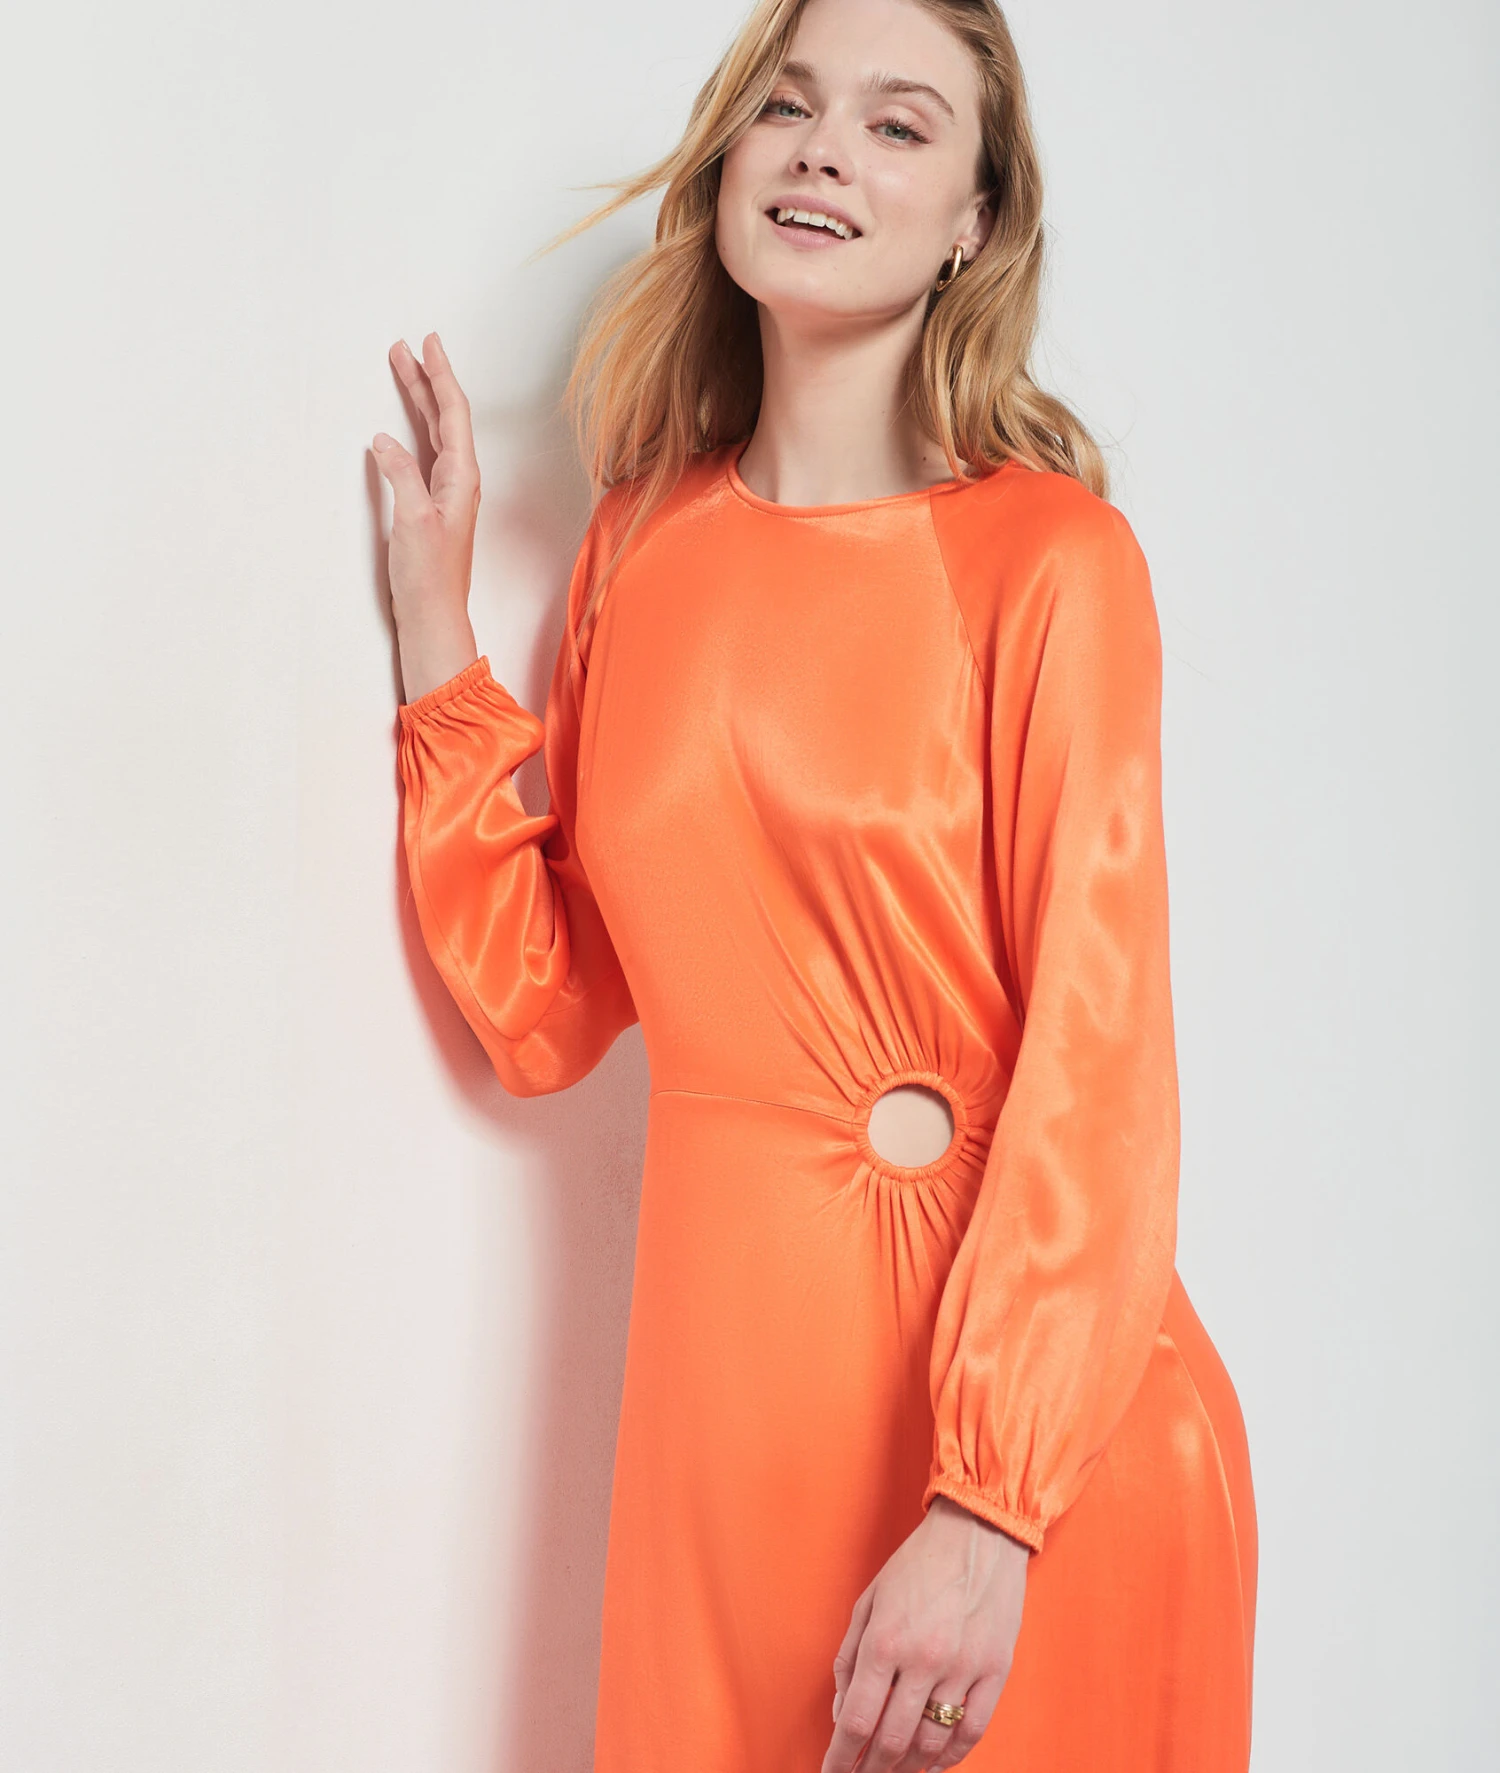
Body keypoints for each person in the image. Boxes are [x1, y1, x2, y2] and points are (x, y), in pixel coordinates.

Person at [371, 0, 1258, 1767]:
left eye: (898, 125)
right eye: (787, 105)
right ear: (730, 159)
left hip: (1008, 1469)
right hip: (720, 1425)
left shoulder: (1054, 564)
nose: (825, 149)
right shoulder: (639, 547)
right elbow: (547, 1010)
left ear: (975, 223)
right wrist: (436, 641)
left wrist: (988, 1512)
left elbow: (1100, 1067)